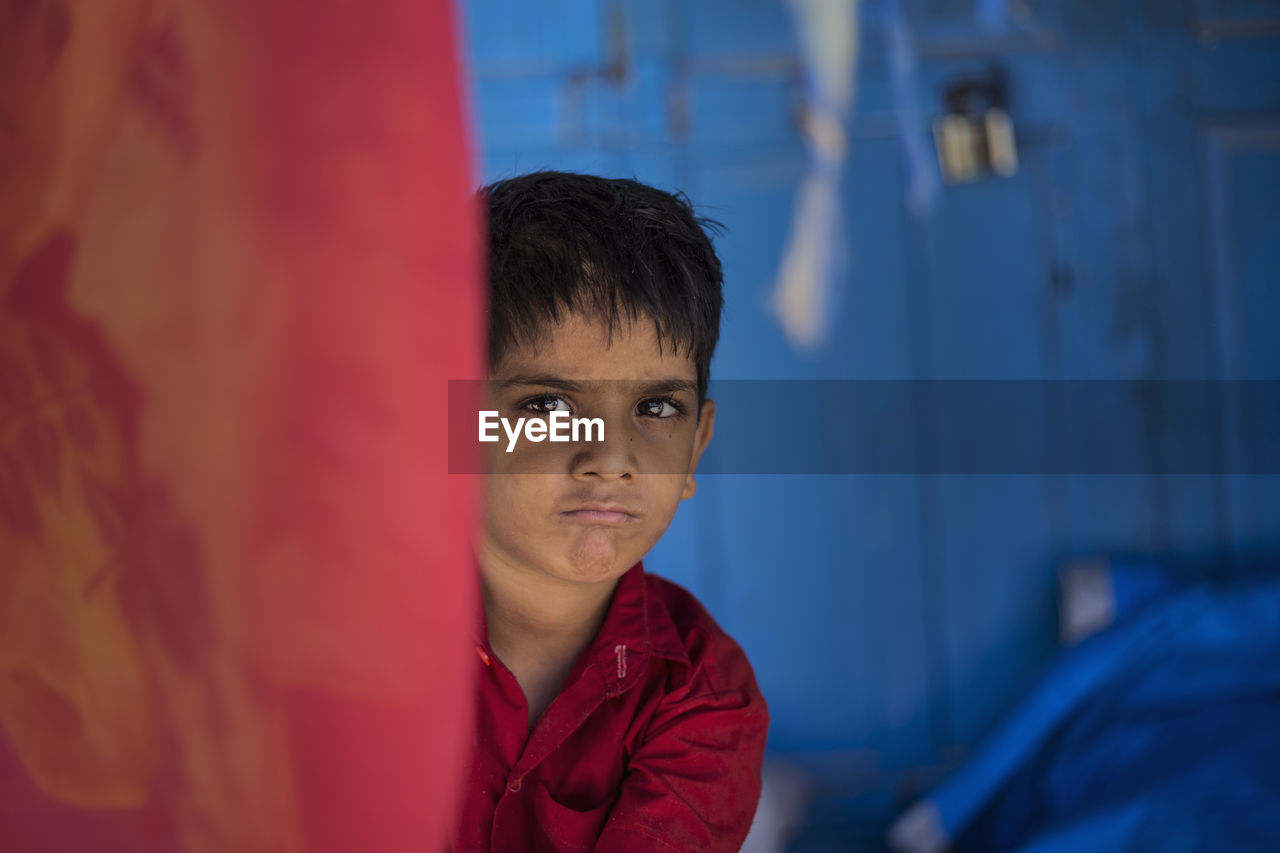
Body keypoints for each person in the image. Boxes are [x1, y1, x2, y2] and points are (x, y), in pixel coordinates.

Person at [452, 171, 768, 852]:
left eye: (656, 408)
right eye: (547, 405)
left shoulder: (703, 694)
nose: (611, 458)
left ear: (696, 444)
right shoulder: (350, 646)